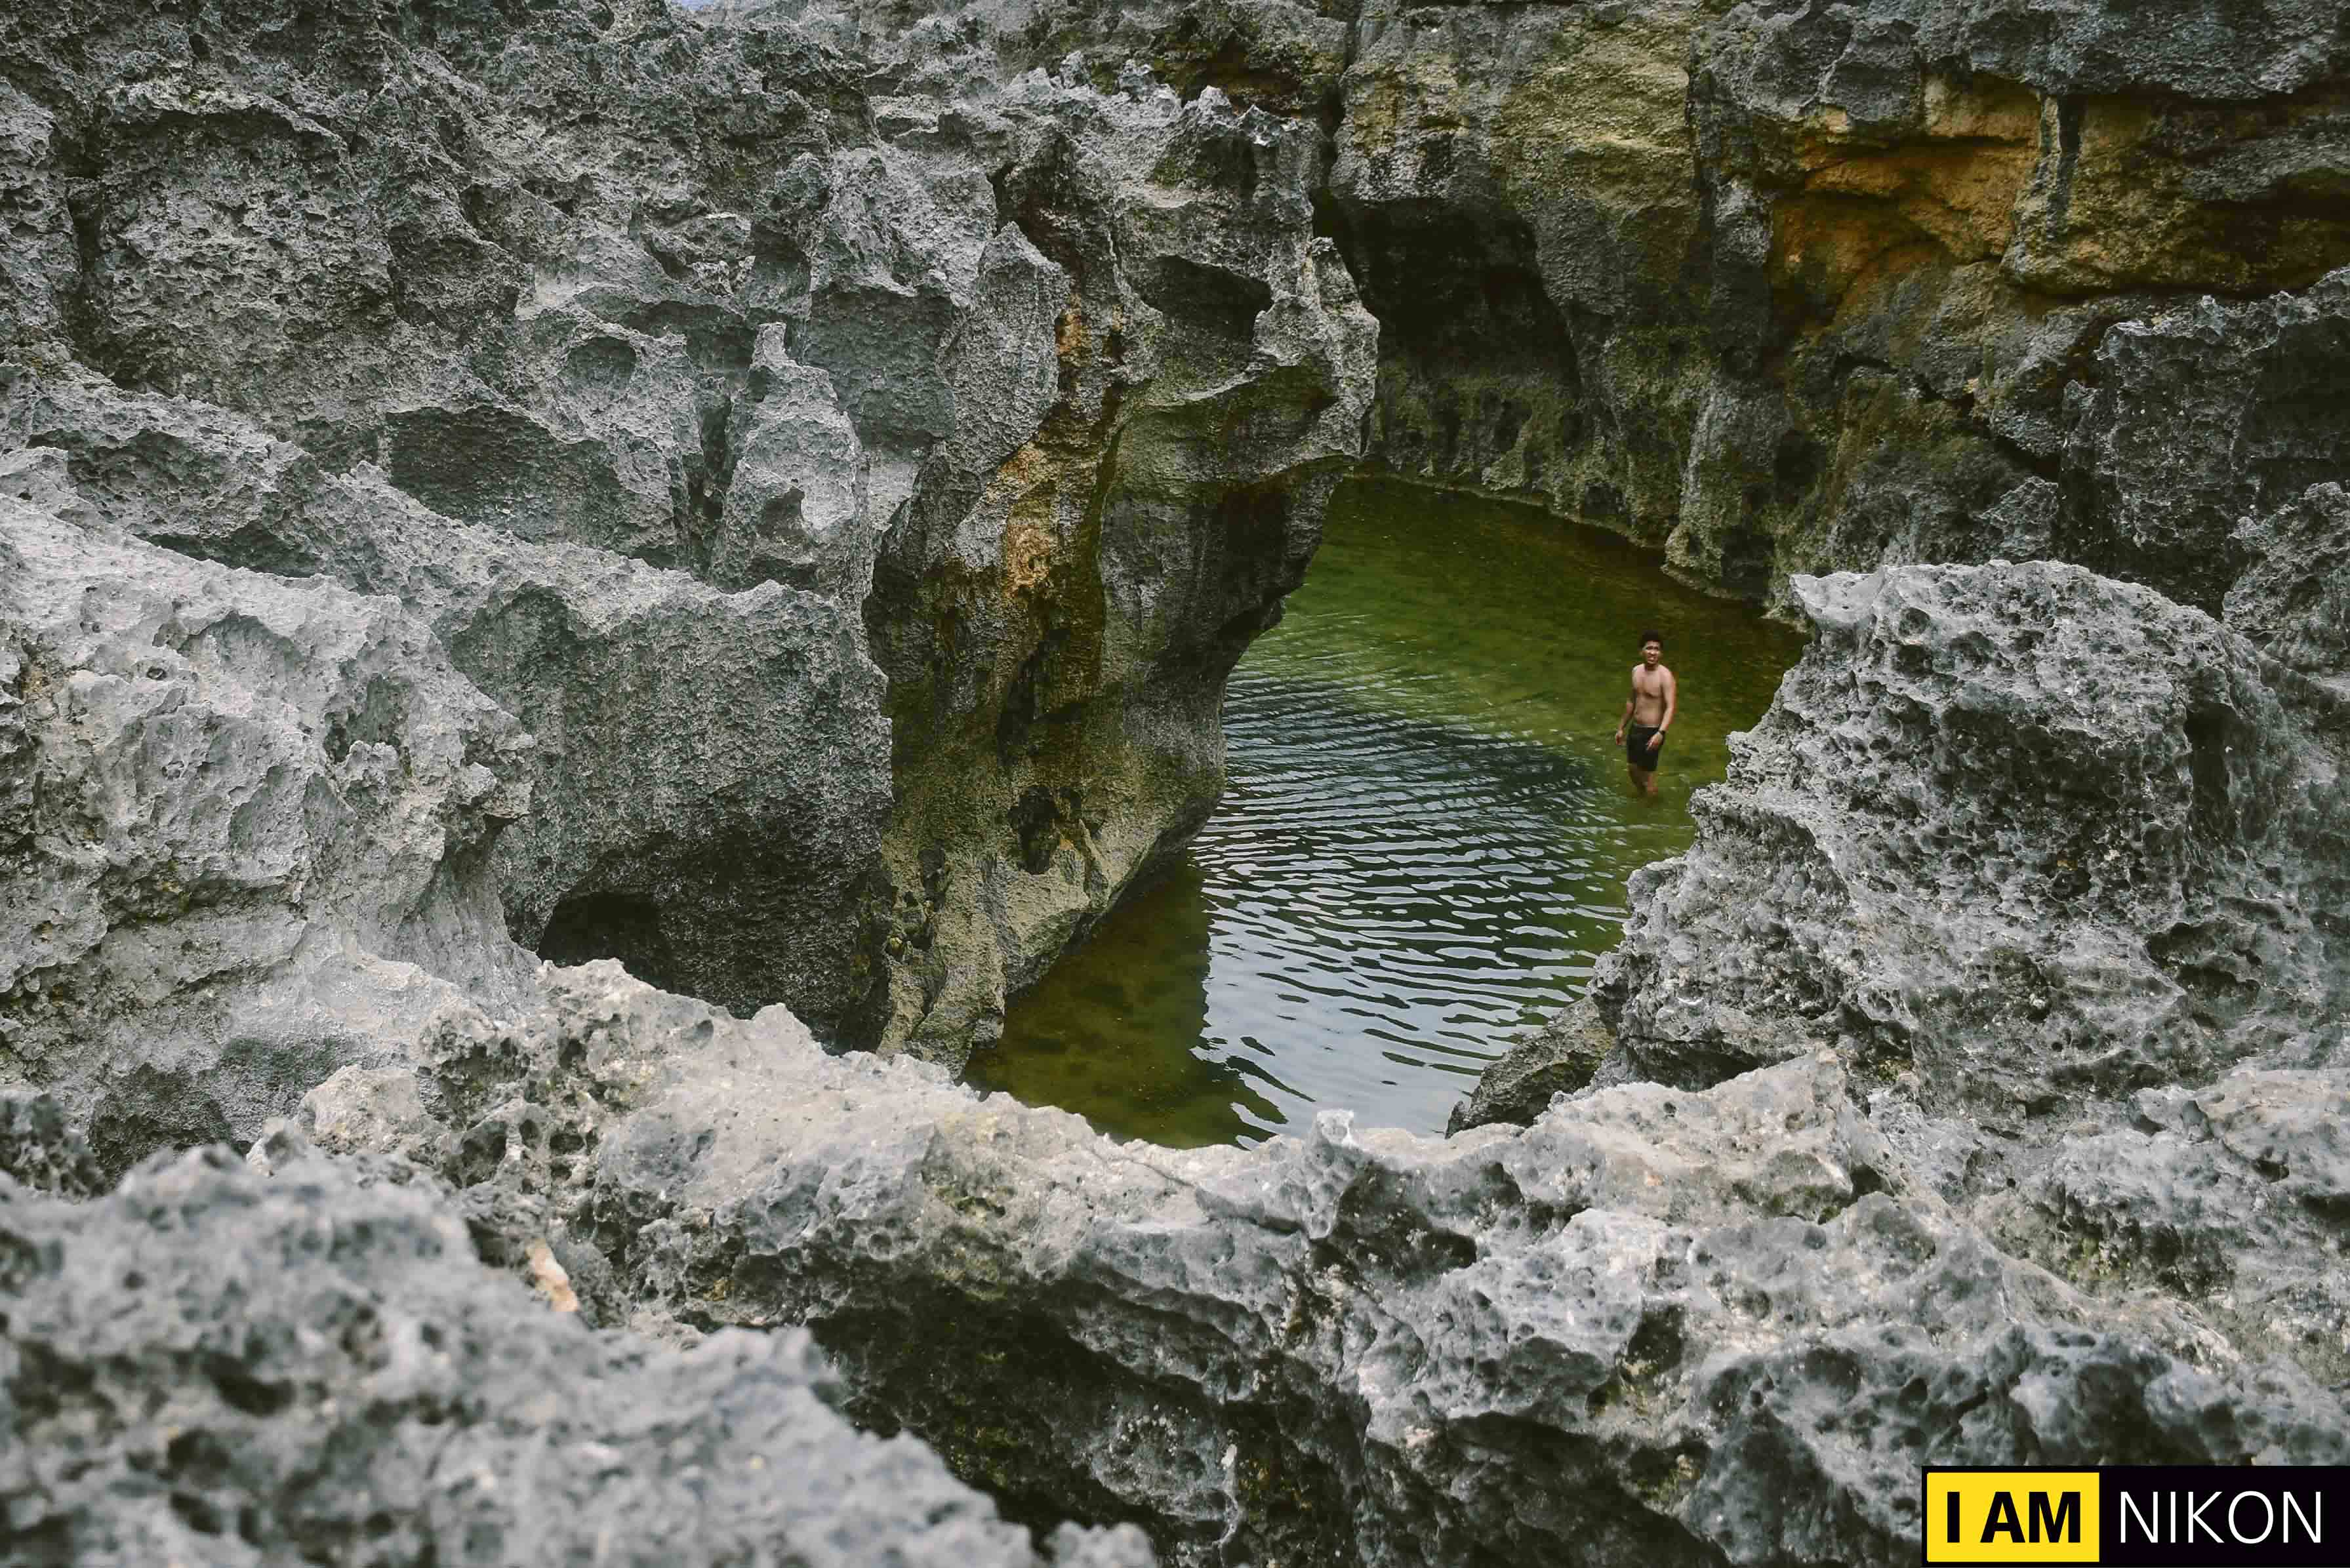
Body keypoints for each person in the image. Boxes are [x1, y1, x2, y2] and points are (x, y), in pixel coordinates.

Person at [1613, 630, 1676, 797]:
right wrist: (1621, 728)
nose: (1653, 652)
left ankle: (1650, 808)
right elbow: (1631, 701)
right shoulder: (1636, 671)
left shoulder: (1665, 676)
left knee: (1648, 779)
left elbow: (1670, 707)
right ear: (1641, 651)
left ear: (1661, 653)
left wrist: (1661, 733)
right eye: (1649, 648)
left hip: (1653, 731)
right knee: (1633, 769)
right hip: (1636, 729)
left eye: (1657, 649)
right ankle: (1647, 798)